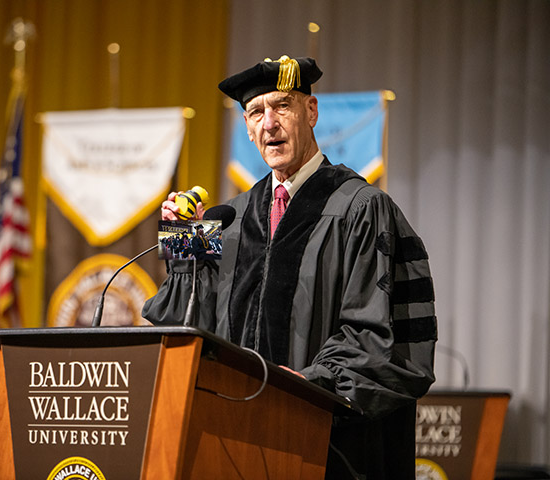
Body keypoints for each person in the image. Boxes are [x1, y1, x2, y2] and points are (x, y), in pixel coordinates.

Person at [143, 55, 437, 479]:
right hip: (237, 442)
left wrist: (301, 387)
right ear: (246, 127)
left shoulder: (362, 208)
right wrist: (182, 242)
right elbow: (186, 326)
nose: (269, 123)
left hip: (328, 445)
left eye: (282, 106)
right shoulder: (232, 216)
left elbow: (378, 339)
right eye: (256, 112)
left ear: (311, 112)